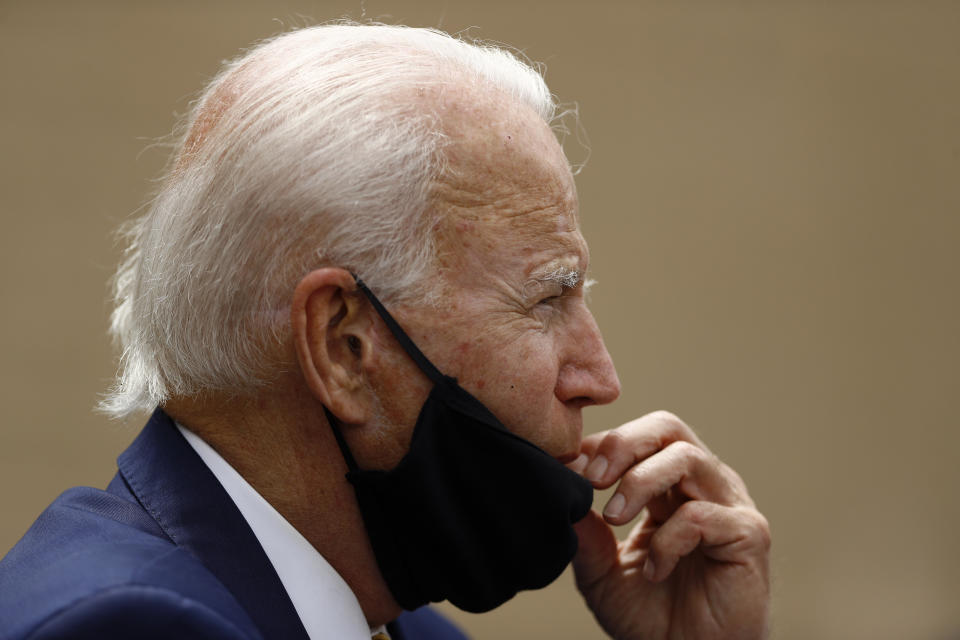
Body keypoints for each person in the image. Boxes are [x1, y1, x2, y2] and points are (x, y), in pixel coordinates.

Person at [0, 23, 770, 639]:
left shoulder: (400, 626)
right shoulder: (129, 625)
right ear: (344, 348)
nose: (601, 378)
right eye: (547, 298)